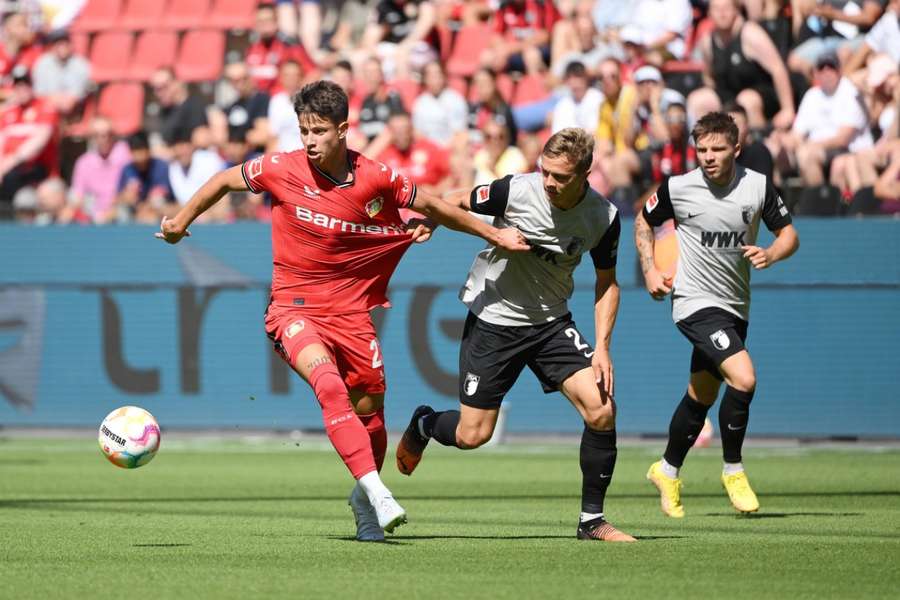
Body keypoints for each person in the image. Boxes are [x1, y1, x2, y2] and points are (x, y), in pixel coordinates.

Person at [155, 80, 529, 542]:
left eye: (318, 131)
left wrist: (496, 235)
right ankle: (378, 492)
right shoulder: (280, 167)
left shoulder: (375, 177)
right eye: (303, 130)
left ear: (344, 129)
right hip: (292, 308)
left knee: (370, 406)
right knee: (328, 385)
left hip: (350, 315)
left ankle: (362, 497)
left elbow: (433, 204)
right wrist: (180, 222)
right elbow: (225, 179)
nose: (309, 141)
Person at [394, 127, 637, 543]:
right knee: (473, 435)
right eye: (545, 172)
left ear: (585, 173)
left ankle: (592, 521)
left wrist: (602, 348)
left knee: (602, 410)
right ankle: (425, 424)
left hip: (551, 325)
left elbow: (607, 283)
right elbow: (456, 199)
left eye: (560, 177)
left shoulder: (603, 218)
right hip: (495, 321)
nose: (549, 183)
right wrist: (431, 222)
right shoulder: (516, 191)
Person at [634, 111, 799, 518]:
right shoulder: (679, 187)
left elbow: (789, 235)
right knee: (743, 377)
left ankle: (667, 469)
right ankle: (734, 470)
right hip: (694, 302)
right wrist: (651, 269)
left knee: (702, 395)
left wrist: (771, 253)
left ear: (736, 149)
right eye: (702, 149)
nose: (708, 156)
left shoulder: (757, 187)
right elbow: (643, 221)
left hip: (735, 304)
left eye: (717, 149)